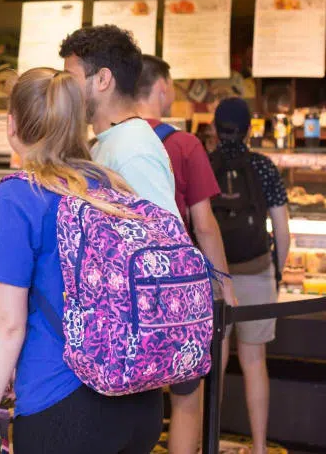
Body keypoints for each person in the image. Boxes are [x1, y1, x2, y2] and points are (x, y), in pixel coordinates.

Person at [0, 70, 162, 454]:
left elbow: (6, 325)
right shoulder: (113, 186)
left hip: (62, 404)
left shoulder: (18, 197)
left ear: (12, 124)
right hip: (138, 399)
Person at [134, 54, 236, 453]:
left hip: (126, 286)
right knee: (186, 397)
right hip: (177, 290)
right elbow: (205, 224)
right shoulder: (184, 144)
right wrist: (225, 287)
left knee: (131, 393)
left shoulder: (105, 142)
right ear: (161, 87)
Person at [213, 98, 290, 454]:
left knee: (214, 363)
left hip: (214, 278)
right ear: (248, 130)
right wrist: (275, 271)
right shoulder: (263, 166)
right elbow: (282, 228)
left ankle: (210, 441)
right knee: (255, 362)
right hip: (257, 272)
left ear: (215, 128)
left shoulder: (203, 163)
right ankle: (259, 447)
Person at [59, 25, 180, 218]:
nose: (65, 90)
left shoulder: (132, 151)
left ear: (103, 79)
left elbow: (166, 238)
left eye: (71, 79)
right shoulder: (110, 141)